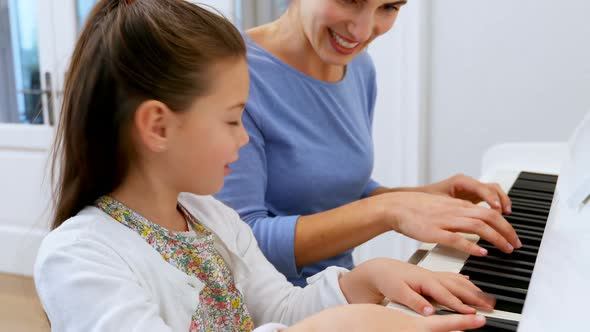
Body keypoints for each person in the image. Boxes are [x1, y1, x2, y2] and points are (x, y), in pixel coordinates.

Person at [33, 0, 492, 331]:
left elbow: (280, 306)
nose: (247, 135)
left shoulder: (213, 218)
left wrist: (364, 281)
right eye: (233, 118)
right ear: (157, 126)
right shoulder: (78, 256)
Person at [216, 0, 522, 287]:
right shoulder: (234, 76)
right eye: (350, 0)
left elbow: (334, 192)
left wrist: (420, 198)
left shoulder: (358, 66)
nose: (363, 31)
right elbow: (237, 246)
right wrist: (388, 210)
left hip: (341, 293)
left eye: (388, 6)